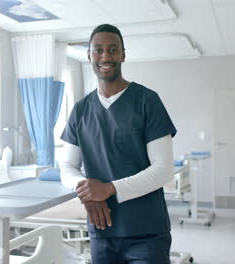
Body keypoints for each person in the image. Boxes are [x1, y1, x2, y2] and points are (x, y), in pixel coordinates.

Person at [60, 24, 177, 264]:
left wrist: (109, 188)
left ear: (123, 54)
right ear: (89, 55)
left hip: (146, 231)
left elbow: (163, 169)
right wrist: (86, 190)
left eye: (113, 50)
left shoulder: (147, 101)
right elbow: (67, 167)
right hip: (102, 230)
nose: (105, 56)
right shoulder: (81, 110)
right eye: (98, 50)